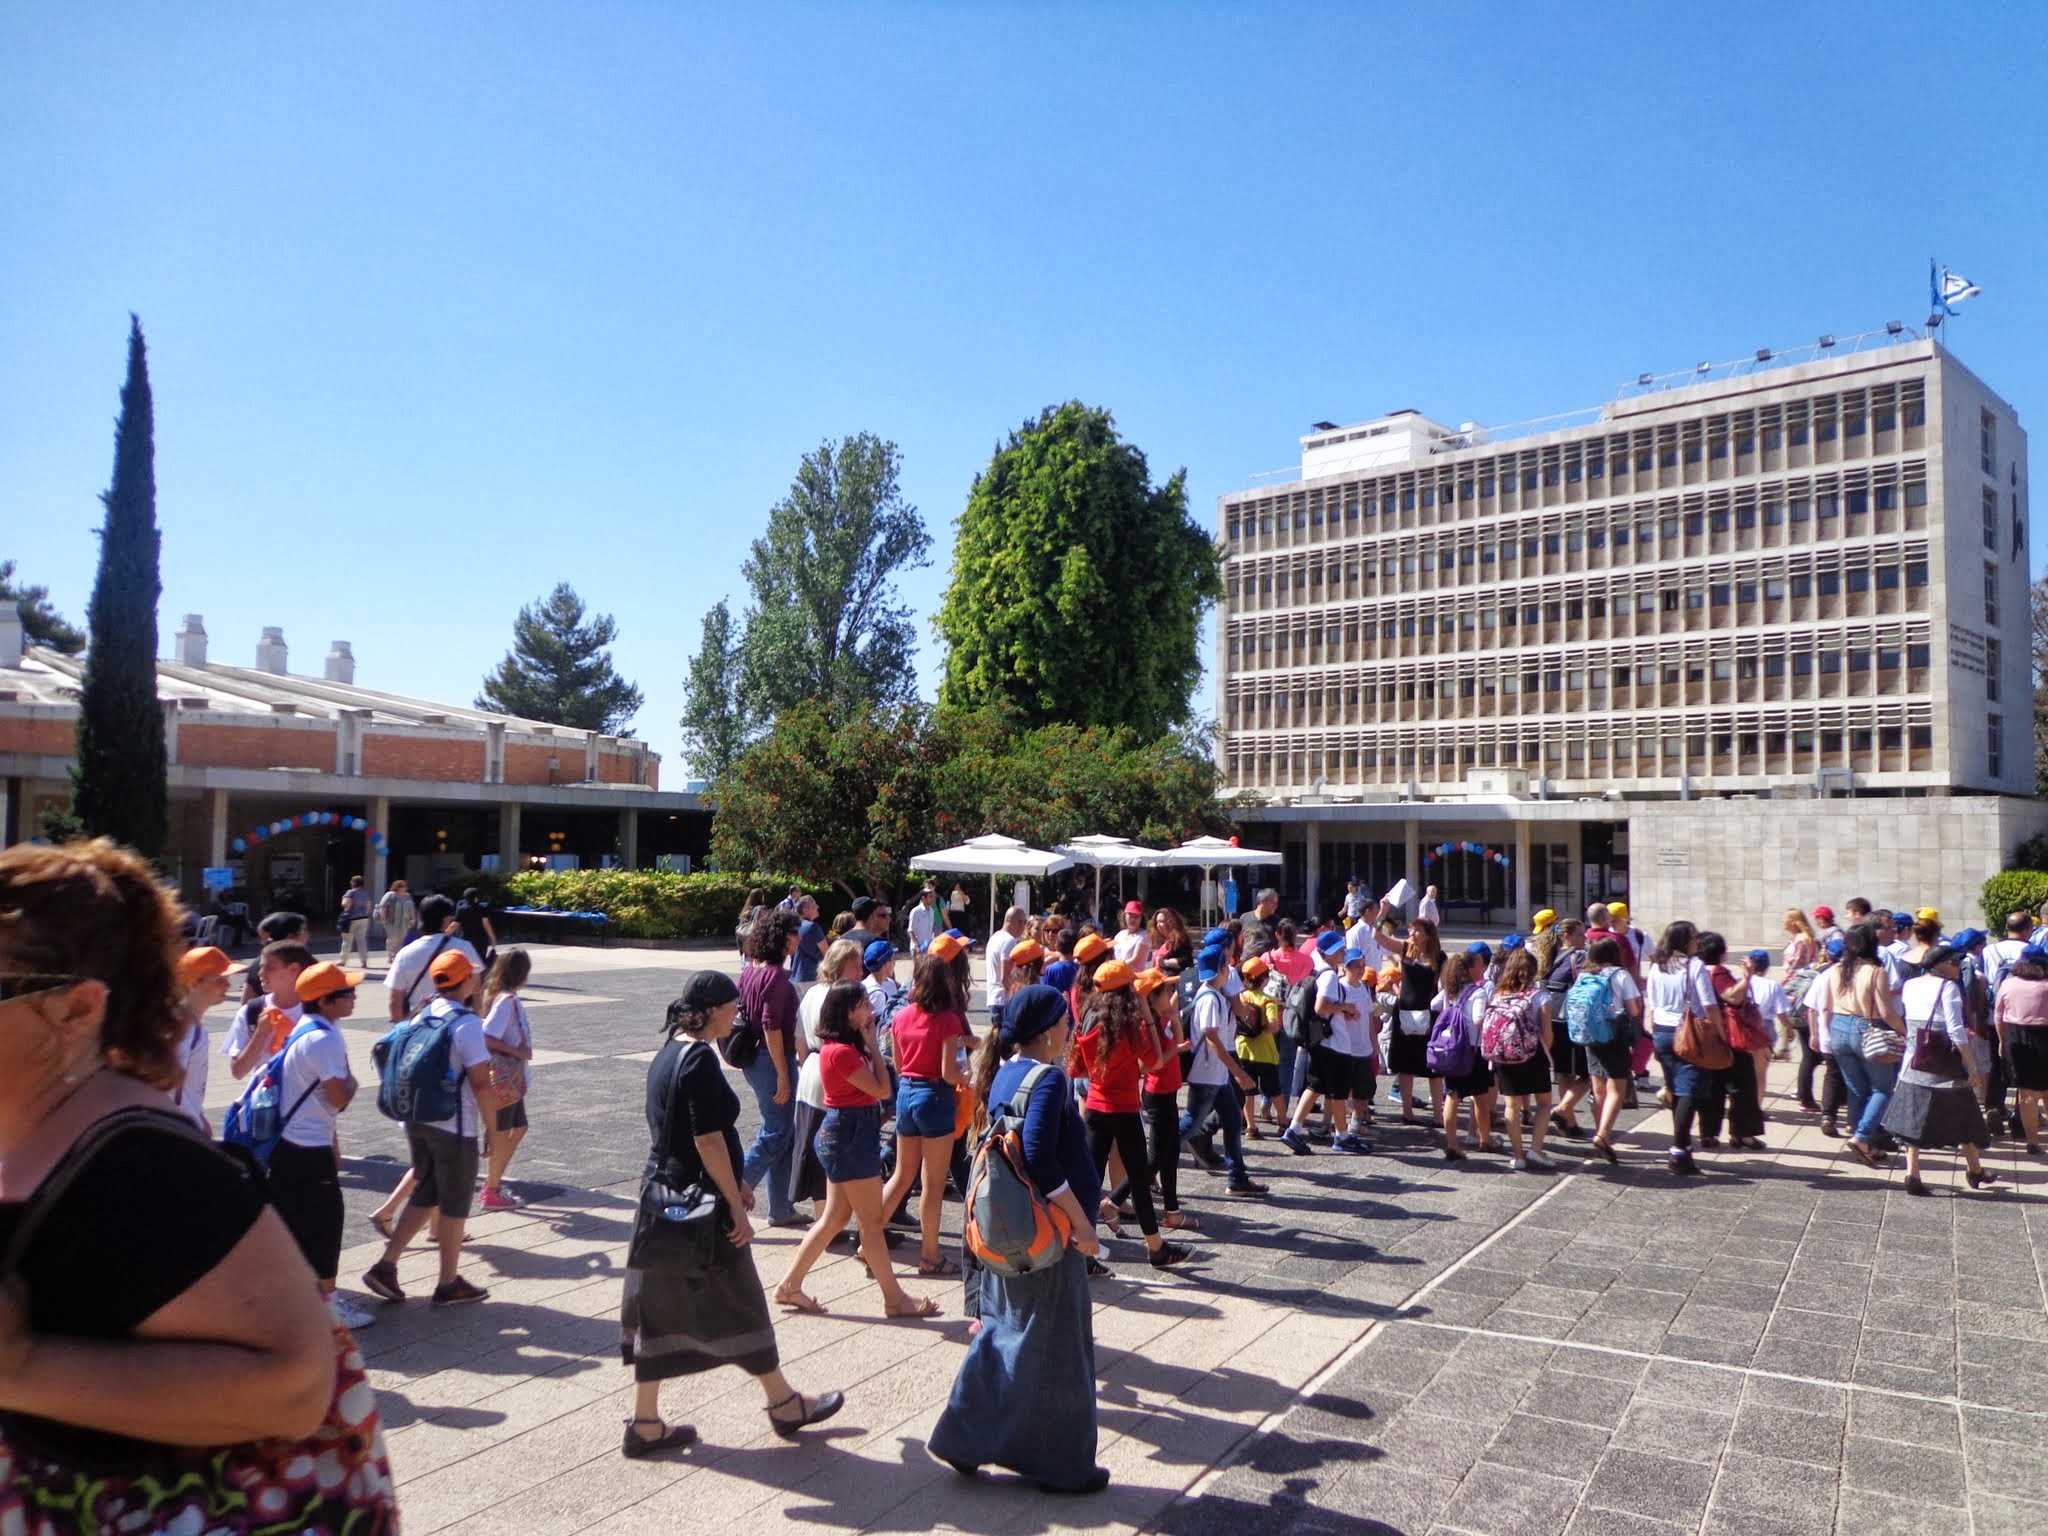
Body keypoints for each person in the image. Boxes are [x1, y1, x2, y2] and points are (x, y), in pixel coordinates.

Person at [0, 839, 397, 1530]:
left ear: (77, 1009)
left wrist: (22, 1369)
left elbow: (295, 1386)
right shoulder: (45, 1130)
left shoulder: (142, 1169)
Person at [619, 971, 845, 1456]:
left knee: (657, 1309)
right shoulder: (699, 1059)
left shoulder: (669, 1052)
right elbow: (706, 1139)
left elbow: (679, 1134)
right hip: (699, 1204)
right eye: (731, 1008)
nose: (737, 1016)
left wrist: (737, 1182)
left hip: (661, 1201)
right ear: (709, 1012)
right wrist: (734, 1203)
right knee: (741, 1300)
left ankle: (646, 1423)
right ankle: (783, 1404)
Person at [929, 985, 1108, 1493]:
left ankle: (963, 1435)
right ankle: (1063, 1466)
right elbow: (1039, 1158)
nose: (1070, 1029)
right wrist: (1081, 1223)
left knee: (1003, 1331)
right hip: (1049, 1233)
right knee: (1061, 1349)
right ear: (1049, 1030)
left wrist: (1096, 1200)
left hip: (1013, 1227)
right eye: (1066, 1022)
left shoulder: (1006, 1070)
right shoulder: (1049, 1078)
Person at [773, 982, 941, 1318]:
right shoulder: (841, 1052)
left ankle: (789, 1286)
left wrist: (869, 1045)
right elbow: (882, 1089)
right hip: (849, 1138)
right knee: (871, 1223)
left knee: (835, 1218)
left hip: (847, 1135)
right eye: (864, 1004)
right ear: (848, 1012)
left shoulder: (842, 1047)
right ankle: (894, 1299)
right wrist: (874, 1047)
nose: (872, 1009)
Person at [359, 949, 499, 1307]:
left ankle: (386, 1266)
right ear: (465, 980)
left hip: (417, 1119)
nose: (477, 978)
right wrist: (492, 1128)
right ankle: (448, 1283)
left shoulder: (421, 1014)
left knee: (427, 1193)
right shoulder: (466, 1024)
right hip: (454, 1125)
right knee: (455, 1202)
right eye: (473, 974)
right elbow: (481, 1082)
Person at [247, 960, 372, 1328]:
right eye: (347, 992)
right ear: (326, 1000)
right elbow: (338, 1097)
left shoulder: (306, 1028)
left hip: (289, 1143)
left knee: (296, 1223)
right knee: (325, 1225)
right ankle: (329, 1309)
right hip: (306, 1146)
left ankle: (293, 1299)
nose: (354, 997)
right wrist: (353, 1083)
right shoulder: (324, 1039)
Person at [1074, 960, 1191, 1269]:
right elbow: (1155, 1062)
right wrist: (1148, 1017)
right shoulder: (1129, 1024)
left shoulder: (1088, 1017)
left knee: (1090, 1179)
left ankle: (1083, 1251)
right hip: (1123, 1108)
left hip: (1095, 1105)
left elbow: (1080, 1066)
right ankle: (1156, 1248)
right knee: (1139, 1179)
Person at [875, 951, 974, 1276]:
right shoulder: (947, 1020)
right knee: (931, 1184)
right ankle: (930, 1256)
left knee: (902, 1175)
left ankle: (867, 1241)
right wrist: (965, 1077)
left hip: (907, 1093)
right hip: (935, 1097)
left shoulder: (901, 1016)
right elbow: (949, 1073)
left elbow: (899, 1065)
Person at [1878, 942, 1997, 1195]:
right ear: (1940, 965)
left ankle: (1912, 1173)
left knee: (1914, 1118)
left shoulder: (1911, 985)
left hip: (1916, 1061)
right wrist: (1972, 1067)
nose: (1958, 967)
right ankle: (1974, 1170)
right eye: (1954, 962)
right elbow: (1955, 1030)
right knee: (1964, 1115)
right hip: (1945, 1064)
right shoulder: (1948, 987)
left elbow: (1910, 1019)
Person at [1816, 923, 1905, 1171]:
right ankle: (1862, 1137)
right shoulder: (1876, 972)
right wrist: (1905, 1032)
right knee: (1883, 1089)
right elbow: (1886, 1011)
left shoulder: (1836, 969)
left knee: (1856, 1089)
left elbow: (1827, 1005)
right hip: (1866, 1028)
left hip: (1838, 1027)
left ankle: (1863, 1141)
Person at [1180, 947, 1268, 1195]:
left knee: (1232, 1119)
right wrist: (1238, 1072)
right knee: (1189, 1124)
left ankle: (1237, 1177)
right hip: (1208, 1074)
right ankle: (1149, 1163)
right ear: (1221, 969)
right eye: (1226, 965)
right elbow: (1211, 1038)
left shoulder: (1214, 994)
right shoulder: (1211, 998)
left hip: (1216, 1075)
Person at [738, 909, 805, 1229]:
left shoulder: (750, 970)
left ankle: (781, 1207)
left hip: (755, 1058)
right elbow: (771, 1026)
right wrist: (782, 1073)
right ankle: (738, 1185)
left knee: (784, 1133)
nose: (799, 939)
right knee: (777, 1131)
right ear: (783, 939)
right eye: (794, 933)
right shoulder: (776, 976)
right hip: (771, 1058)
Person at [1644, 920, 1719, 1176]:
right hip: (1688, 1032)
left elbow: (1653, 1001)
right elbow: (1709, 1004)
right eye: (1695, 938)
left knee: (1675, 1089)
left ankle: (1684, 1147)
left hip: (1662, 1031)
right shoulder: (1694, 966)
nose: (1698, 942)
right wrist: (1718, 1032)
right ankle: (1678, 1150)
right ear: (1684, 941)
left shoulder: (1658, 965)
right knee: (1688, 1091)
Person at [1482, 948, 1555, 1171]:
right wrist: (1543, 1051)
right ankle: (1536, 1149)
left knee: (1511, 1105)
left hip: (1503, 1056)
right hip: (1533, 1055)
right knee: (1544, 1103)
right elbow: (1547, 1033)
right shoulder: (1540, 996)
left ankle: (1518, 1155)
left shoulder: (1497, 995)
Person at [1698, 932, 1767, 1150]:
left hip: (1704, 1035)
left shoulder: (1695, 971)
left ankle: (1708, 1133)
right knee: (1743, 1086)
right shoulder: (1718, 972)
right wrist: (1747, 978)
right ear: (1721, 953)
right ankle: (1742, 1133)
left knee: (1713, 1087)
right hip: (1728, 1036)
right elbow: (1733, 996)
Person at [479, 947, 535, 1211]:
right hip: (505, 1078)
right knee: (502, 1132)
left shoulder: (504, 998)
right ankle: (492, 1189)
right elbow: (486, 1036)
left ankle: (494, 1182)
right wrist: (517, 1052)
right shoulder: (506, 1001)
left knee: (518, 1128)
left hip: (511, 1080)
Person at [1578, 936, 1642, 1160]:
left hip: (1590, 1034)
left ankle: (1600, 1130)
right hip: (1615, 1034)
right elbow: (1633, 1010)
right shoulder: (1620, 975)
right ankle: (1603, 1135)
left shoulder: (1585, 974)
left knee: (1598, 1088)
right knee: (1616, 1087)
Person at [171, 944, 242, 1131]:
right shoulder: (183, 1027)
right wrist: (194, 1121)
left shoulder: (188, 1023)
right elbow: (169, 1087)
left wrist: (199, 1115)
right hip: (177, 1127)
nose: (228, 985)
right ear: (193, 984)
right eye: (219, 979)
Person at [1433, 950, 1494, 1161]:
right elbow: (1478, 1019)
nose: (1483, 968)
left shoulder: (1450, 991)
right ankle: (1485, 1139)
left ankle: (1452, 1144)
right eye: (1479, 965)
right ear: (1469, 970)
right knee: (1480, 1097)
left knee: (1452, 1096)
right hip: (1473, 1050)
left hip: (1452, 1051)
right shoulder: (1478, 992)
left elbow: (1433, 1005)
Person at [385, 894, 483, 1023]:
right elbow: (477, 990)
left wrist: (401, 1028)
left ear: (420, 918)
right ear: (446, 920)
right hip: (456, 1023)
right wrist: (477, 1021)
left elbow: (394, 1001)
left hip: (419, 1024)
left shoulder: (405, 953)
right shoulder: (464, 947)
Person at [227, 939, 315, 1080]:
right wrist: (260, 1034)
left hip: (307, 1092)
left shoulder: (316, 1009)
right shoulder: (252, 1011)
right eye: (261, 967)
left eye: (269, 968)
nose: (260, 973)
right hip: (266, 1092)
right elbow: (238, 1072)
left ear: (293, 969)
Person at [1387, 919, 1446, 1126]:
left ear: (1428, 935)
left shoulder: (1439, 957)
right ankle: (1407, 1112)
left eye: (1416, 930)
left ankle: (1438, 1114)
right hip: (1405, 1013)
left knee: (1434, 1067)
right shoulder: (1406, 950)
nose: (1411, 933)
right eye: (1411, 929)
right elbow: (1378, 937)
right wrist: (1383, 913)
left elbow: (1445, 986)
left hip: (1429, 1014)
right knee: (1405, 1065)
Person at [1994, 943, 2048, 1154]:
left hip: (2016, 1037)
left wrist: (2001, 1041)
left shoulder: (2008, 984)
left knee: (2025, 1093)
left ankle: (2032, 1141)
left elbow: (1998, 1015)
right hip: (2045, 1037)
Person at [1235, 954, 1285, 1135]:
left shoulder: (1240, 998)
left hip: (1243, 1049)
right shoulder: (1268, 1000)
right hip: (1265, 1052)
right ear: (1264, 979)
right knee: (1274, 1090)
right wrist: (1264, 1027)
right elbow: (1274, 1026)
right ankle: (1283, 1122)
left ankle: (1251, 1127)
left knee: (1248, 1092)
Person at [986, 906, 1028, 1029]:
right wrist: (1019, 996)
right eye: (1022, 922)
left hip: (993, 998)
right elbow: (1005, 978)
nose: (1024, 926)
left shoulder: (995, 937)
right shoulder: (1009, 941)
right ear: (1013, 922)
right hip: (1003, 1000)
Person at [376, 879, 416, 969]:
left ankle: (397, 956)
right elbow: (382, 906)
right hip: (390, 922)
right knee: (393, 938)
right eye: (401, 887)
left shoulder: (408, 896)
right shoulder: (390, 895)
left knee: (401, 939)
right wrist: (383, 919)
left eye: (404, 887)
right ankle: (390, 954)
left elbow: (412, 909)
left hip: (404, 923)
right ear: (397, 888)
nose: (404, 889)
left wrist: (413, 918)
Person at [337, 874, 374, 968]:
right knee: (361, 940)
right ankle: (364, 961)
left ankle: (343, 960)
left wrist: (343, 900)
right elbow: (369, 906)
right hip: (364, 918)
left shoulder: (350, 892)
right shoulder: (366, 893)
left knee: (347, 940)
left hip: (351, 918)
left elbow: (345, 904)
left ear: (353, 883)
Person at [792, 896, 826, 987]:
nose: (818, 906)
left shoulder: (793, 926)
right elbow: (827, 952)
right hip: (812, 976)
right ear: (805, 910)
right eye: (814, 905)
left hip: (795, 975)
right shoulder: (813, 927)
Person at [1239, 888, 1280, 955]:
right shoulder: (1245, 918)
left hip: (1267, 960)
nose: (1276, 906)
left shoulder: (1277, 922)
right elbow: (1239, 940)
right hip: (1247, 960)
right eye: (1273, 903)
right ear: (1262, 901)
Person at [1112, 900, 1152, 966]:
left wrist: (1116, 967)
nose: (1133, 919)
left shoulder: (1144, 936)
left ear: (1141, 918)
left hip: (1133, 973)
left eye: (1136, 916)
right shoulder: (1119, 935)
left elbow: (1135, 961)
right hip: (1115, 971)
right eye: (1130, 915)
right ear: (1125, 916)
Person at [908, 886, 939, 954]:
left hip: (928, 947)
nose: (932, 899)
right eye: (930, 897)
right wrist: (917, 946)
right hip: (917, 948)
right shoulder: (916, 911)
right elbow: (911, 930)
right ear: (923, 898)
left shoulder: (932, 911)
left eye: (933, 896)